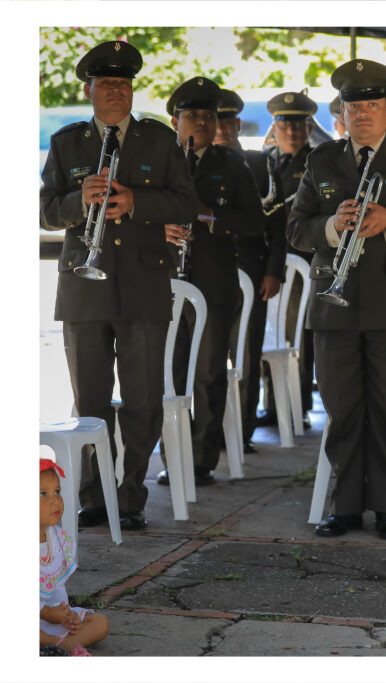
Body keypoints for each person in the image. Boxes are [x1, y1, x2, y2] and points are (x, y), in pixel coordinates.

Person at [40, 40, 199, 531]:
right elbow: (45, 211)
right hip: (83, 290)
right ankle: (93, 498)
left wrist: (136, 202)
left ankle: (129, 497)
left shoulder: (159, 139)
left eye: (124, 84)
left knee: (143, 400)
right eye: (106, 83)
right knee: (89, 404)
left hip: (144, 283)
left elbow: (186, 205)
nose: (116, 91)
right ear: (88, 89)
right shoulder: (68, 142)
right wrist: (75, 202)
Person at [288, 60, 386, 541]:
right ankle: (345, 506)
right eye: (353, 106)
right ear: (341, 112)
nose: (363, 113)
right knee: (343, 410)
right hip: (334, 306)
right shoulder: (322, 159)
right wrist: (333, 226)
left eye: (372, 105)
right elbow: (296, 228)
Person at [156, 77, 262, 486]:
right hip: (164, 280)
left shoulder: (233, 163)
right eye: (191, 115)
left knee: (208, 373)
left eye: (208, 116)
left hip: (214, 284)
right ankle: (172, 457)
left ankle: (201, 460)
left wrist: (209, 215)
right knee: (170, 373)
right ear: (174, 120)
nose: (200, 122)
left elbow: (253, 221)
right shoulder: (160, 159)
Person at [214, 88, 287, 454]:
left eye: (229, 121)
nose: (223, 127)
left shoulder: (259, 162)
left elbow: (276, 224)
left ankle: (241, 433)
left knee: (246, 354)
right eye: (217, 120)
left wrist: (273, 271)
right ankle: (210, 433)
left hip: (252, 274)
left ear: (239, 124)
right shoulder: (193, 161)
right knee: (207, 359)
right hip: (208, 275)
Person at [258, 90, 319, 432]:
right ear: (275, 126)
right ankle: (272, 403)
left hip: (300, 261)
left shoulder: (318, 161)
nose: (292, 132)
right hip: (268, 261)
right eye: (285, 124)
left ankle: (298, 406)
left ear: (310, 127)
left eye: (299, 125)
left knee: (296, 337)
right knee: (268, 336)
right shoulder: (266, 161)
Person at [40, 460, 110, 655]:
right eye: (43, 494)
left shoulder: (56, 539)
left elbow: (56, 584)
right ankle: (54, 642)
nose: (55, 500)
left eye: (57, 492)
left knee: (100, 624)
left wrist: (65, 613)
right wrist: (46, 613)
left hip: (46, 618)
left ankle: (54, 644)